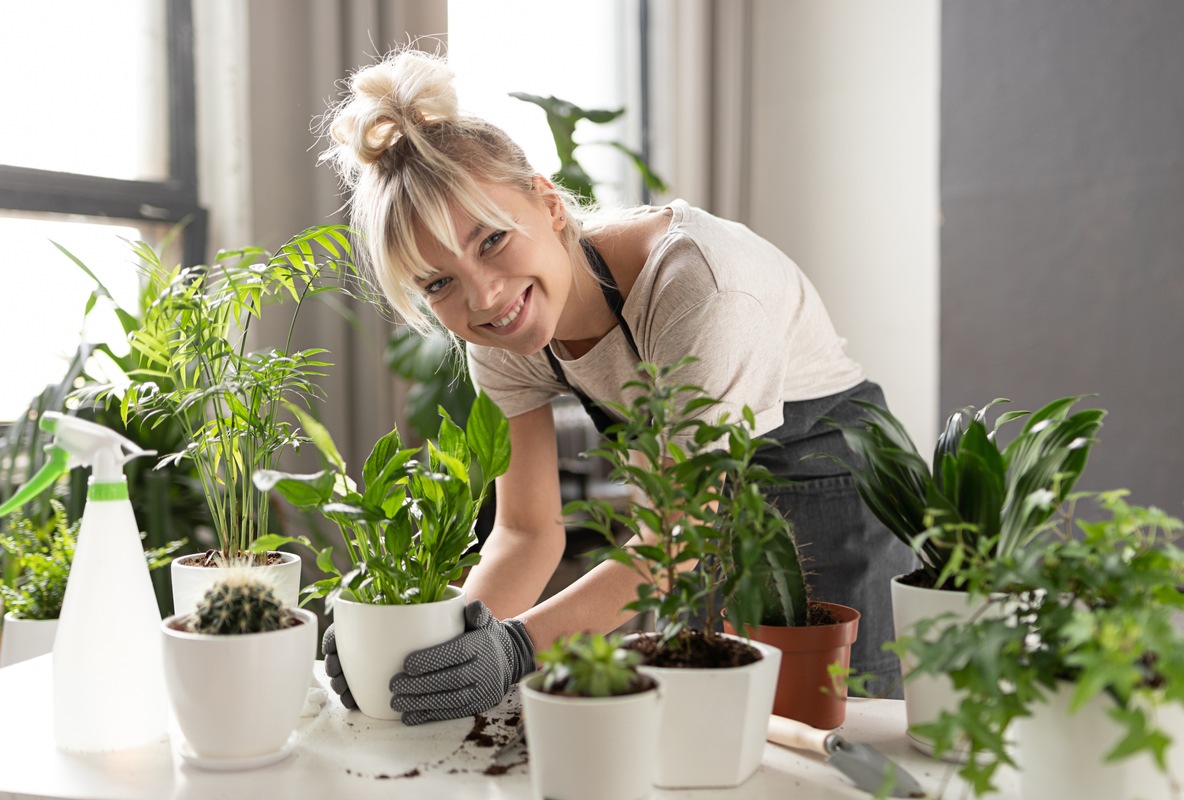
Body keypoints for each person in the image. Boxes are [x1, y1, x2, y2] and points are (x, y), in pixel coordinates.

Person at [318, 49, 917, 724]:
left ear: (547, 204)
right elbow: (524, 531)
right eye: (438, 282)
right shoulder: (505, 331)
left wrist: (516, 650)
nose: (482, 295)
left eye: (491, 240)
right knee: (709, 730)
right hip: (691, 517)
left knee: (832, 736)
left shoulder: (699, 290)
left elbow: (676, 544)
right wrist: (428, 648)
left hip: (827, 488)